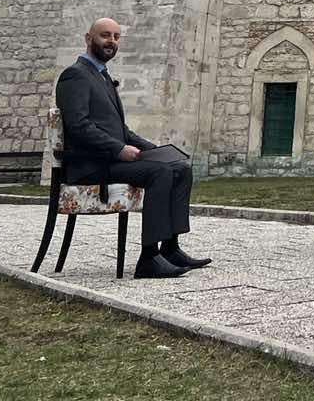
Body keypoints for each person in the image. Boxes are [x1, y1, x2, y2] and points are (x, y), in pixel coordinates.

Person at [54, 17, 212, 279]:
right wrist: (118, 149)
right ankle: (148, 258)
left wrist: (155, 149)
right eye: (105, 35)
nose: (111, 42)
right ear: (88, 38)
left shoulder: (102, 77)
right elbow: (78, 126)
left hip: (108, 160)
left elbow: (122, 131)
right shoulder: (75, 75)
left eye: (116, 37)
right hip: (88, 165)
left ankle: (170, 248)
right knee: (159, 173)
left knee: (180, 169)